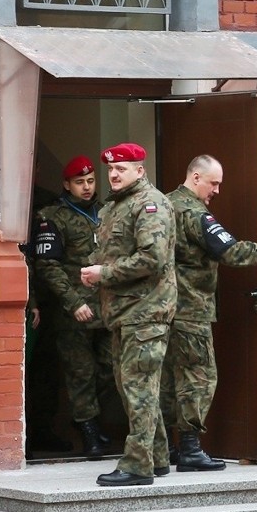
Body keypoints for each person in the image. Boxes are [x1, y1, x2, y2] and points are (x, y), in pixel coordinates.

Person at [161, 154, 257, 472]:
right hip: (191, 310)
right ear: (196, 177)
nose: (217, 190)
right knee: (199, 377)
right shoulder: (195, 213)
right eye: (214, 183)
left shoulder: (164, 204)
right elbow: (230, 251)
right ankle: (191, 449)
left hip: (163, 308)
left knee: (166, 378)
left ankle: (165, 448)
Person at [81, 142, 176, 486]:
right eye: (111, 169)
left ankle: (137, 465)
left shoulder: (150, 205)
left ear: (140, 170)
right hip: (122, 313)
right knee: (133, 387)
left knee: (138, 389)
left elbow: (153, 259)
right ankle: (159, 457)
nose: (114, 174)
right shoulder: (115, 207)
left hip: (146, 312)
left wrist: (103, 273)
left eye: (123, 168)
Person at [33, 155, 114, 459]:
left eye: (91, 181)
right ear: (67, 184)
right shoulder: (52, 216)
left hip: (108, 307)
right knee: (80, 372)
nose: (87, 187)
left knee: (111, 368)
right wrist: (73, 302)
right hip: (75, 311)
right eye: (80, 182)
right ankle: (89, 430)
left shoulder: (108, 212)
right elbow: (48, 266)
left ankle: (88, 416)